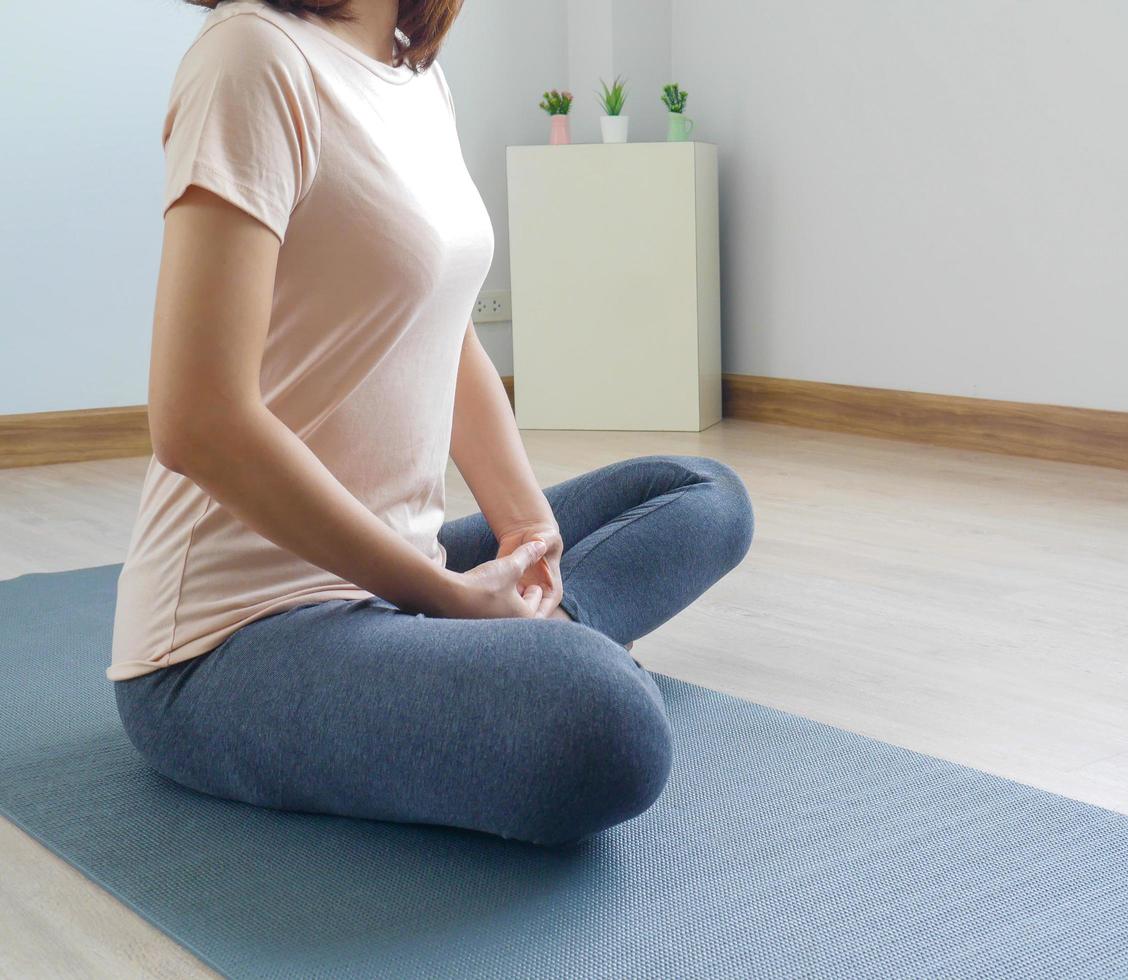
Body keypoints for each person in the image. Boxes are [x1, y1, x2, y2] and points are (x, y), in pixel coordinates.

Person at [109, 0, 754, 847]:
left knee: (705, 494)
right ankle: (533, 648)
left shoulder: (416, 73)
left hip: (402, 576)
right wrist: (444, 598)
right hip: (231, 639)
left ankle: (533, 630)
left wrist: (528, 533)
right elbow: (198, 419)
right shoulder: (251, 56)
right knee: (610, 727)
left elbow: (442, 333)